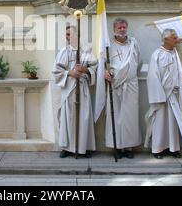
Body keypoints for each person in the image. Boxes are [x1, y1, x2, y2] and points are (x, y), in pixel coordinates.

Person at [96, 18, 142, 159]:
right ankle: (117, 146)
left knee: (130, 117)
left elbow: (138, 63)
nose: (122, 29)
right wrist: (105, 73)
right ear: (114, 29)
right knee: (115, 116)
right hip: (114, 85)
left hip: (131, 84)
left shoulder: (134, 44)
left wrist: (129, 74)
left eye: (124, 27)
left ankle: (128, 147)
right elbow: (102, 64)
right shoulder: (108, 46)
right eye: (119, 27)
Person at [144, 29, 182, 159]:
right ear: (165, 39)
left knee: (173, 122)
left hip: (173, 95)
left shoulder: (176, 54)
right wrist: (160, 96)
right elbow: (153, 76)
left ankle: (173, 148)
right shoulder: (157, 54)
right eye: (174, 37)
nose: (177, 39)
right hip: (161, 96)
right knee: (160, 123)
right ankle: (158, 149)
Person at [52, 26, 97, 158]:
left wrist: (84, 70)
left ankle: (84, 147)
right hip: (69, 89)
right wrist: (70, 73)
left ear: (77, 35)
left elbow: (95, 67)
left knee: (84, 117)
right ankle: (66, 148)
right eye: (66, 35)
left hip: (82, 88)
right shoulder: (63, 52)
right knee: (68, 118)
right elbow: (56, 70)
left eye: (69, 34)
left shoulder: (86, 51)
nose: (67, 37)